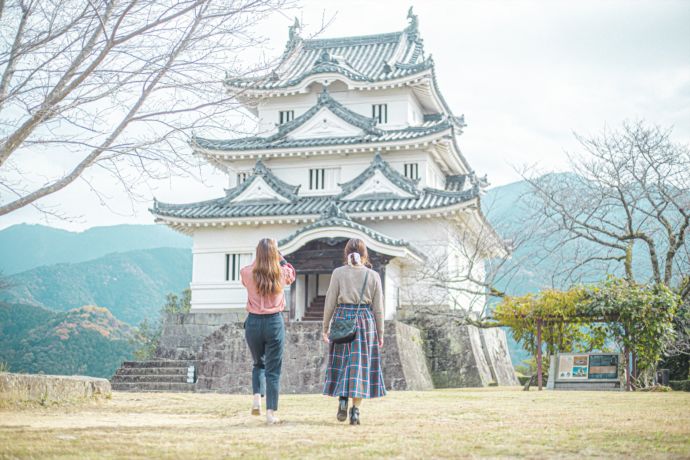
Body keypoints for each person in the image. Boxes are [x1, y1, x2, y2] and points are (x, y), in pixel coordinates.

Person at [322, 238, 386, 425]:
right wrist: (380, 333)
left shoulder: (338, 273)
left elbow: (330, 302)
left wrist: (325, 328)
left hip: (342, 319)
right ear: (365, 254)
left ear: (346, 253)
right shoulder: (373, 276)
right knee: (360, 367)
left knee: (343, 364)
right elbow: (379, 308)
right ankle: (355, 411)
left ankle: (342, 400)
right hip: (365, 322)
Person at [240, 238, 296, 424]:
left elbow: (248, 272)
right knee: (273, 371)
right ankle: (270, 413)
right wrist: (280, 258)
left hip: (254, 323)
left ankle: (257, 397)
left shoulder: (247, 273)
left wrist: (259, 259)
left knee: (258, 364)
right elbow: (292, 272)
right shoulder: (282, 273)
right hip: (274, 322)